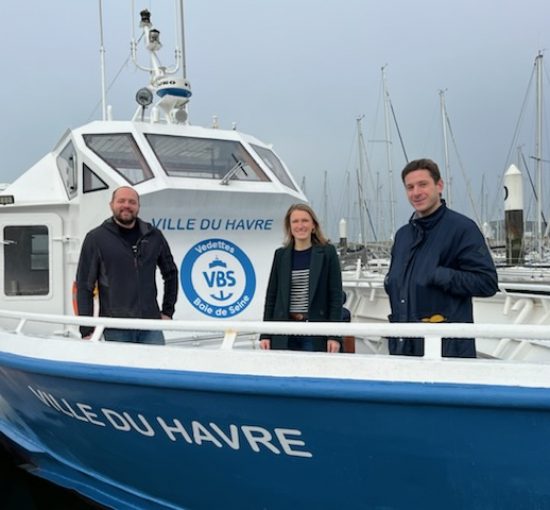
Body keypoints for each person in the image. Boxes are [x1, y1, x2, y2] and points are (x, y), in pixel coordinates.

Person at [384, 158, 498, 357]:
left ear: (439, 186)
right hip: (403, 348)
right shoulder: (403, 235)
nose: (416, 192)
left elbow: (487, 282)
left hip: (447, 351)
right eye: (410, 187)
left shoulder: (462, 229)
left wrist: (438, 275)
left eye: (423, 184)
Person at [76, 186, 178, 344]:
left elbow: (171, 274)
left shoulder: (153, 235)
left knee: (156, 367)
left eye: (132, 202)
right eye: (121, 201)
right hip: (116, 327)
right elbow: (84, 285)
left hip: (150, 326)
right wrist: (87, 329)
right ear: (111, 205)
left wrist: (167, 311)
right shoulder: (96, 238)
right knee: (121, 368)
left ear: (138, 207)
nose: (126, 205)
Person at [259, 203, 343, 353]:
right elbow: (271, 296)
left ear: (313, 225)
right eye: (295, 221)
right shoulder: (281, 255)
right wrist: (265, 333)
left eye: (305, 220)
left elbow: (335, 296)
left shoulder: (327, 253)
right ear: (289, 227)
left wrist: (334, 335)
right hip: (284, 330)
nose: (300, 225)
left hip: (315, 331)